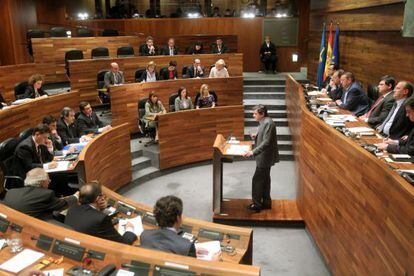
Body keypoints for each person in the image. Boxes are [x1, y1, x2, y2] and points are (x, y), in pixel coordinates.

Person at [65, 182, 137, 245]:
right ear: (98, 199)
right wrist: (129, 229)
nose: (103, 198)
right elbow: (123, 243)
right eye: (102, 196)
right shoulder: (101, 219)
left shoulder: (72, 207)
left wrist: (100, 209)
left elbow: (90, 217)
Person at [3, 168, 78, 220]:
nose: (50, 181)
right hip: (35, 226)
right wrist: (76, 196)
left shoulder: (11, 192)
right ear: (42, 182)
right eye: (48, 179)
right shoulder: (46, 194)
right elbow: (63, 205)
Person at [243, 105, 279, 212]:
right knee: (265, 180)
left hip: (265, 157)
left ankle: (257, 205)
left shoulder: (268, 123)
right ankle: (266, 202)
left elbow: (267, 142)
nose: (253, 115)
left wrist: (252, 152)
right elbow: (264, 137)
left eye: (255, 113)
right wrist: (256, 136)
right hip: (264, 157)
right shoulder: (264, 121)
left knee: (257, 180)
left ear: (262, 114)